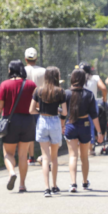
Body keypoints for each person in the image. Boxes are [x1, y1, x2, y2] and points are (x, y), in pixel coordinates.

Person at [0, 60, 37, 192]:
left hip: (10, 122)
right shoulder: (31, 85)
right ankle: (22, 184)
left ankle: (11, 173)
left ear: (10, 70)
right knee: (23, 155)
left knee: (8, 153)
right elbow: (36, 105)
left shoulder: (5, 84)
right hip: (28, 121)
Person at [62, 69, 103, 193]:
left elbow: (63, 113)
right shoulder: (89, 94)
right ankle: (85, 182)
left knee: (73, 156)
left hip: (70, 125)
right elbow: (94, 116)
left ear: (72, 79)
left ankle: (73, 184)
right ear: (84, 80)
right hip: (85, 125)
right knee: (84, 157)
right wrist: (99, 132)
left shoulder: (66, 93)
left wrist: (62, 125)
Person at [29, 67, 66, 197]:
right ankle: (55, 186)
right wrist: (58, 111)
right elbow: (65, 112)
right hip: (55, 121)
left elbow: (31, 110)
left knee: (45, 157)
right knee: (54, 158)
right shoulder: (60, 91)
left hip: (42, 122)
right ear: (57, 77)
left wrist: (41, 111)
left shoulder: (38, 91)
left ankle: (46, 188)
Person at [24, 47, 46, 165]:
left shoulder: (21, 70)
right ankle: (44, 156)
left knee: (29, 131)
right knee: (41, 130)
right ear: (36, 58)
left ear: (25, 59)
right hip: (40, 104)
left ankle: (30, 157)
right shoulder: (44, 71)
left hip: (26, 105)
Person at [79, 62, 107, 151]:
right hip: (92, 102)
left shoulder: (78, 78)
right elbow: (104, 88)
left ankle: (81, 148)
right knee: (91, 124)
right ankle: (90, 149)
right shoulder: (95, 78)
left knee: (80, 123)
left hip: (80, 103)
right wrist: (104, 98)